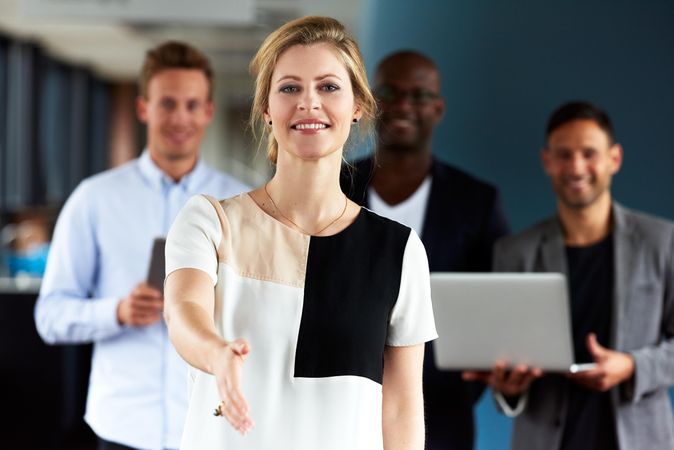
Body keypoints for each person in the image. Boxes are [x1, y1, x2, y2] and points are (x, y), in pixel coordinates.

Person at [163, 16, 438, 450]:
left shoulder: (399, 250)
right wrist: (215, 351)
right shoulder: (210, 222)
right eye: (289, 88)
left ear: (357, 106)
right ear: (267, 110)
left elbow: (401, 409)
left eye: (329, 87)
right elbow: (183, 315)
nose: (309, 102)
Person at [34, 41, 248, 450]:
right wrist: (116, 311)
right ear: (144, 108)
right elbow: (50, 316)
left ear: (208, 111)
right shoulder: (93, 199)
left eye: (191, 104)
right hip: (123, 426)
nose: (180, 118)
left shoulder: (237, 203)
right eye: (167, 103)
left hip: (209, 424)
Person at [465, 101, 674, 450]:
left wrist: (633, 367)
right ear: (547, 161)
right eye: (564, 155)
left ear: (614, 159)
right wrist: (509, 389)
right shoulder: (515, 252)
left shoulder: (662, 242)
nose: (576, 167)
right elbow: (509, 361)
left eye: (589, 153)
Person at [341, 50, 509, 450]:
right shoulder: (334, 186)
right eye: (390, 92)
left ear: (438, 108)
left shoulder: (477, 201)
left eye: (419, 95)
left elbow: (500, 306)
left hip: (441, 418)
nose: (403, 105)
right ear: (367, 102)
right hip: (340, 408)